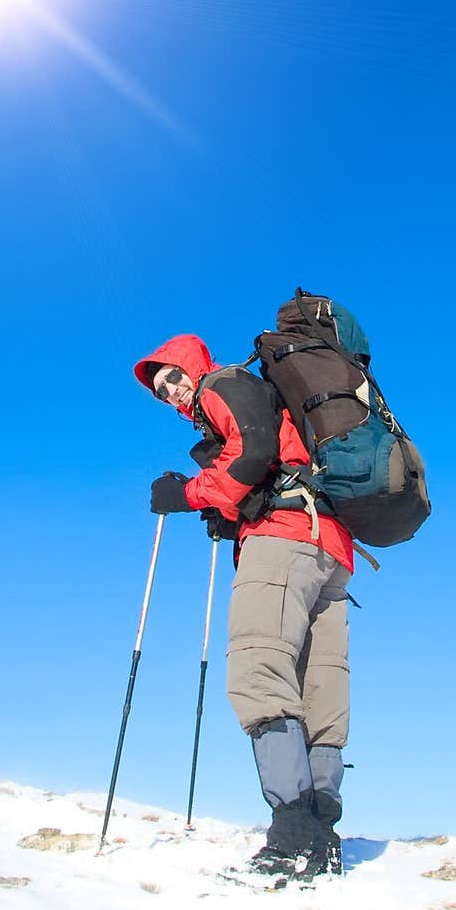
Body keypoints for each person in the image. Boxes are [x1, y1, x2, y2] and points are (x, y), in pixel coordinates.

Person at [134, 333, 355, 880]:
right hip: (331, 546)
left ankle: (293, 835)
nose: (173, 393)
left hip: (283, 539)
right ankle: (322, 833)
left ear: (192, 365)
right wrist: (229, 512)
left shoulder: (220, 384)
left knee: (259, 671)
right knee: (319, 688)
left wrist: (189, 494)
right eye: (163, 392)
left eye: (173, 378)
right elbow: (268, 458)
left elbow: (251, 451)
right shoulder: (250, 388)